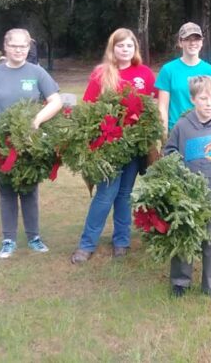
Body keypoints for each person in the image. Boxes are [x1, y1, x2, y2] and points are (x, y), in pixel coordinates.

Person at [70, 28, 157, 264]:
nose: (125, 50)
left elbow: (154, 104)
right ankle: (86, 244)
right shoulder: (102, 73)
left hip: (134, 147)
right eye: (120, 46)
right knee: (105, 194)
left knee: (125, 195)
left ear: (135, 49)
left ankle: (121, 241)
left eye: (129, 46)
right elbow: (88, 106)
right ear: (113, 48)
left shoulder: (145, 74)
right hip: (108, 146)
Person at [0, 29, 62, 259]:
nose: (19, 50)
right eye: (15, 46)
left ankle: (34, 237)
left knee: (29, 189)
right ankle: (8, 239)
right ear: (6, 47)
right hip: (0, 143)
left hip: (28, 141)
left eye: (24, 46)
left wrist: (37, 120)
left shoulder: (37, 72)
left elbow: (56, 101)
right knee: (6, 191)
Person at [163, 76, 211, 303]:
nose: (208, 103)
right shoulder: (183, 126)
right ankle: (180, 281)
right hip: (186, 195)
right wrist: (178, 178)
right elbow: (169, 153)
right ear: (193, 99)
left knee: (210, 242)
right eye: (203, 98)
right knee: (184, 238)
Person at [155, 22, 211, 135]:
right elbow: (162, 107)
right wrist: (164, 136)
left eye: (196, 39)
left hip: (203, 132)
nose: (192, 43)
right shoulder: (168, 70)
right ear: (180, 42)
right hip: (176, 131)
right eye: (187, 39)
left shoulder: (210, 71)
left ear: (202, 42)